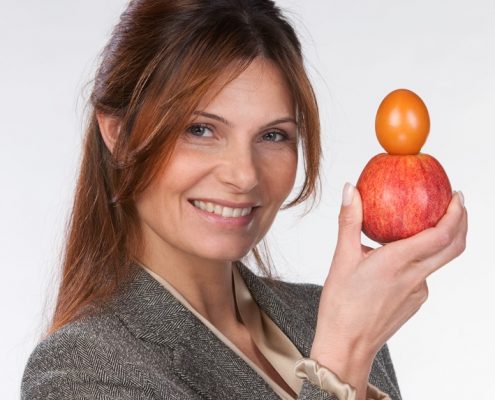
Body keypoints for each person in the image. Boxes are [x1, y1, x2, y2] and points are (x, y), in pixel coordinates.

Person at [21, 1, 467, 399]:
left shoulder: (321, 315)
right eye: (200, 129)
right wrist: (342, 359)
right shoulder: (80, 371)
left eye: (273, 135)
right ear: (117, 134)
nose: (244, 175)